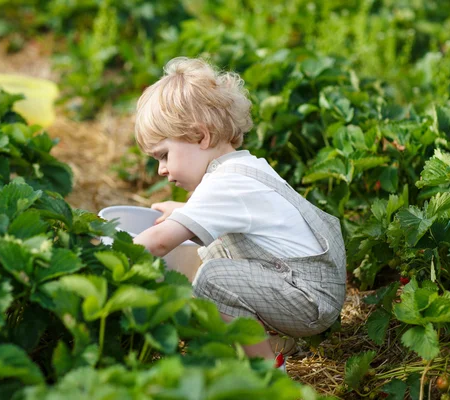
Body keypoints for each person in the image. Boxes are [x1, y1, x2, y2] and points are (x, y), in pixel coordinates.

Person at [133, 57, 346, 361]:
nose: (161, 170)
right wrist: (182, 211)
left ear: (200, 136)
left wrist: (108, 254)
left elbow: (160, 242)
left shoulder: (224, 184)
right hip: (310, 285)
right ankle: (273, 341)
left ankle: (264, 372)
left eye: (164, 155)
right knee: (213, 247)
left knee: (212, 278)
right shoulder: (243, 168)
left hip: (309, 299)